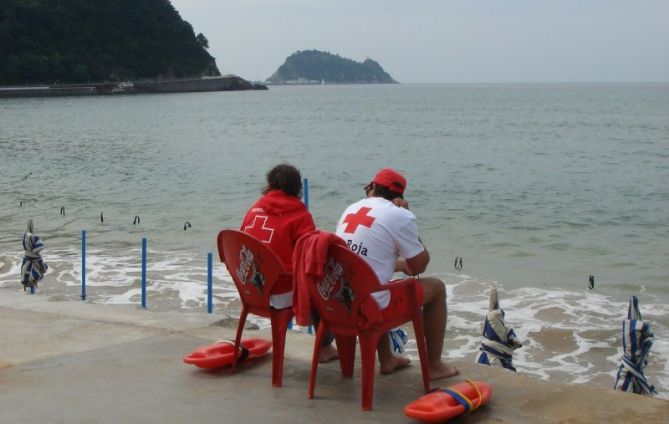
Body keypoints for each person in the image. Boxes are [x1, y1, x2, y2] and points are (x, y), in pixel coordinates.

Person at [335, 168, 459, 380]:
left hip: (338, 299)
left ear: (372, 188)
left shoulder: (352, 208)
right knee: (437, 288)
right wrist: (409, 218)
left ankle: (387, 360)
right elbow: (420, 266)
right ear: (399, 197)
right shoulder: (400, 215)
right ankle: (434, 366)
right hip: (368, 306)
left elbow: (363, 260)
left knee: (377, 285)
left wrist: (400, 265)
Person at [241, 163, 338, 362]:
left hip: (250, 289)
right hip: (278, 293)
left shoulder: (254, 209)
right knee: (326, 287)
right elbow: (310, 257)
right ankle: (325, 348)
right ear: (297, 188)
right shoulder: (300, 215)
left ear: (269, 184)